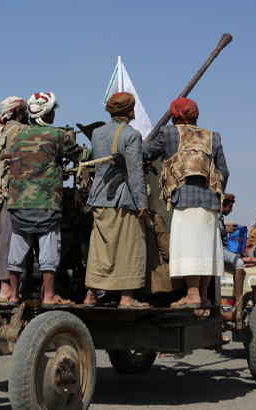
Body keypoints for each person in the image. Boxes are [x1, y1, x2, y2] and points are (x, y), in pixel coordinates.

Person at [143, 98, 229, 309]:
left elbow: (146, 154)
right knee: (206, 249)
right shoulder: (213, 136)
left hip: (184, 200)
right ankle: (203, 295)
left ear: (174, 115)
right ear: (195, 115)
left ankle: (191, 294)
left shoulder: (169, 133)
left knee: (189, 248)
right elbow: (224, 172)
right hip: (209, 204)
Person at [7, 92, 88, 308]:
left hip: (18, 205)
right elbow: (79, 155)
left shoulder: (17, 136)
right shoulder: (57, 135)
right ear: (48, 114)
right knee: (49, 249)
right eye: (53, 111)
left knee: (17, 249)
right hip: (46, 205)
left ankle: (13, 295)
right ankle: (49, 295)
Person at [82, 92, 149, 309]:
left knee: (100, 248)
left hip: (100, 198)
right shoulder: (131, 135)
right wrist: (142, 203)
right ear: (129, 111)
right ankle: (127, 298)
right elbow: (135, 172)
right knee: (129, 246)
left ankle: (91, 295)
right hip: (123, 199)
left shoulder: (97, 133)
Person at [0, 96, 29, 303]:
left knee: (2, 239)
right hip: (12, 191)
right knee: (12, 240)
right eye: (25, 111)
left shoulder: (0, 130)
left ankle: (5, 290)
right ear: (18, 113)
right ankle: (9, 291)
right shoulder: (21, 131)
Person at [219, 194, 246, 303]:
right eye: (229, 207)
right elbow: (210, 232)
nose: (231, 210)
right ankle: (239, 298)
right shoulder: (214, 217)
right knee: (239, 263)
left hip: (224, 248)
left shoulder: (220, 218)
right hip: (219, 249)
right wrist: (226, 231)